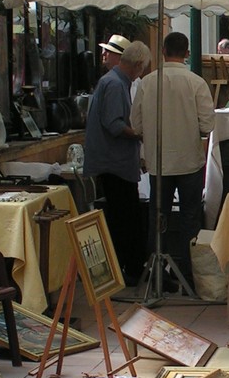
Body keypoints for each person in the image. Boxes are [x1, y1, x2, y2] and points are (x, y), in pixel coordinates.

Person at [131, 31, 215, 290]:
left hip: (159, 160)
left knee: (158, 217)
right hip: (189, 160)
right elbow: (208, 123)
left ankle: (158, 276)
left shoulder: (147, 83)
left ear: (163, 51)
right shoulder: (196, 82)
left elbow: (136, 123)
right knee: (190, 218)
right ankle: (190, 276)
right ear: (187, 53)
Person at [84, 40, 151, 284]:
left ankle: (129, 267)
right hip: (115, 164)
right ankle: (128, 269)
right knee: (125, 218)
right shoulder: (114, 84)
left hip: (118, 162)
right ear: (138, 65)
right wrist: (140, 134)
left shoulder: (114, 82)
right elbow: (114, 124)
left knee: (125, 217)